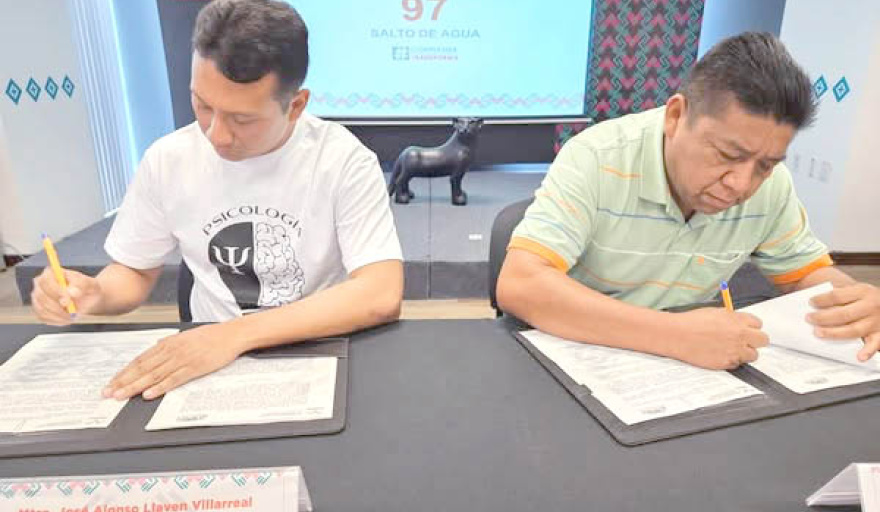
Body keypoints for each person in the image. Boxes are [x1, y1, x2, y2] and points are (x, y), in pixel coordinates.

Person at [30, 0, 403, 399]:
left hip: (316, 348)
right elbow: (134, 273)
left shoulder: (342, 160)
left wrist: (233, 336)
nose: (216, 135)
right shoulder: (168, 159)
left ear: (295, 106)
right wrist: (95, 294)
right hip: (206, 362)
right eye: (203, 105)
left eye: (242, 119)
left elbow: (379, 293)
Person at [497, 32, 880, 370]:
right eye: (728, 155)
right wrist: (673, 334)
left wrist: (857, 303)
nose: (741, 184)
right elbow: (520, 283)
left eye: (765, 164)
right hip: (585, 349)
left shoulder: (772, 185)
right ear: (676, 116)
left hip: (688, 367)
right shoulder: (597, 157)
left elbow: (804, 275)